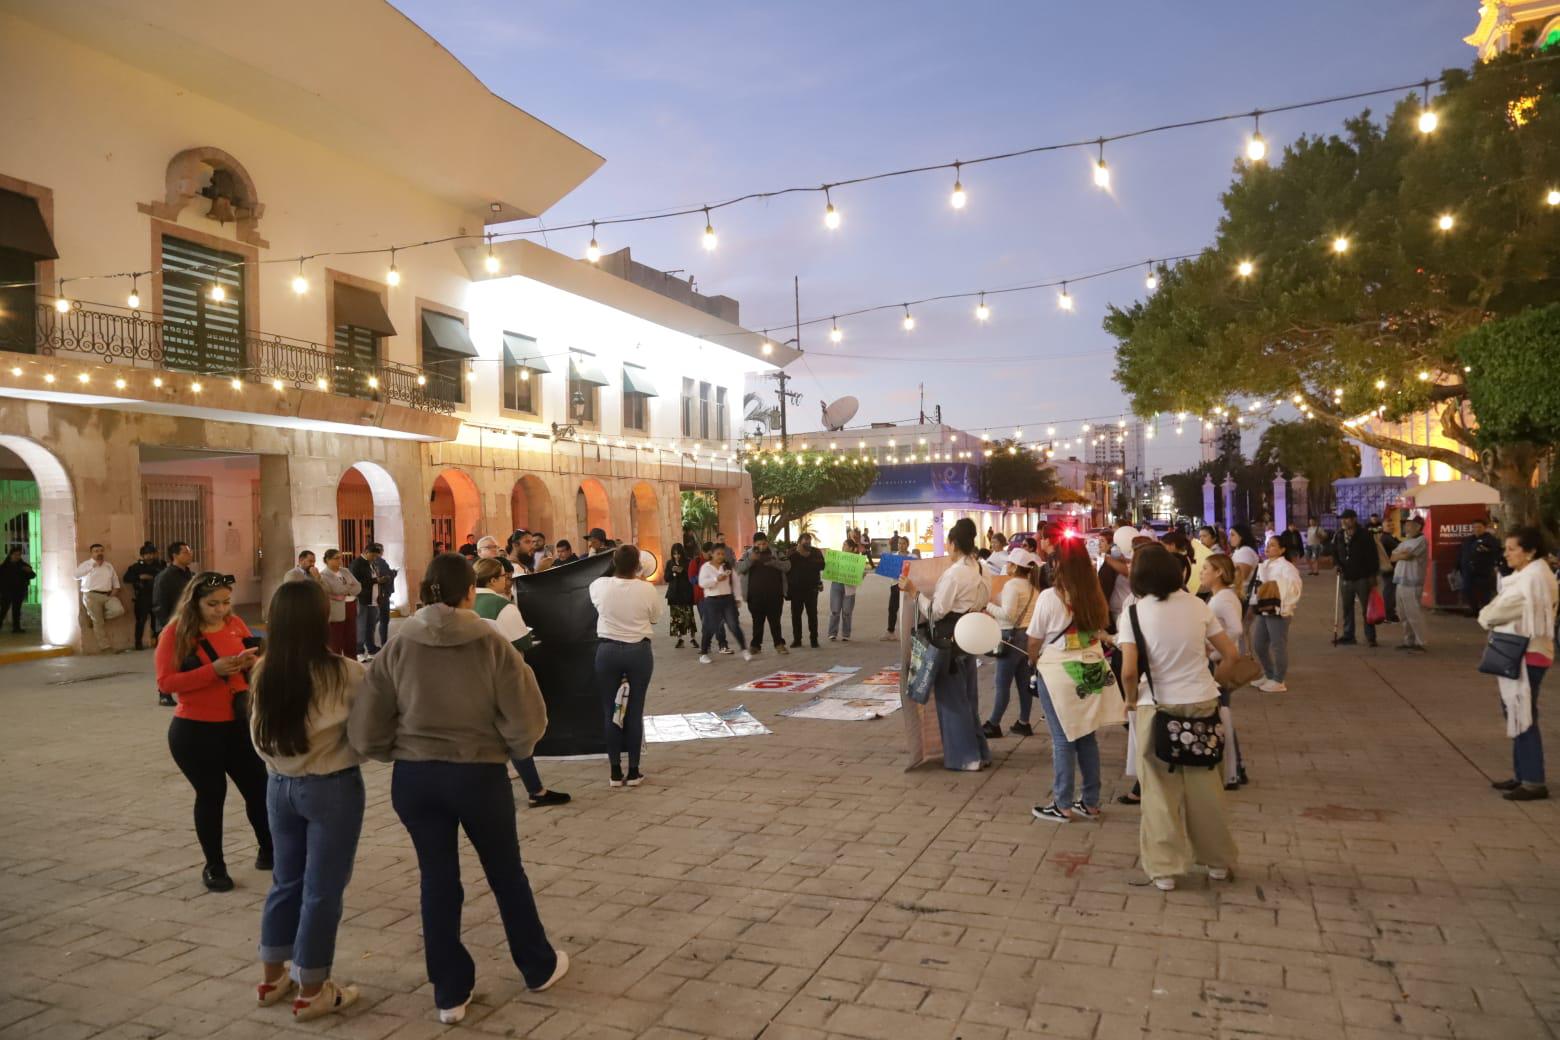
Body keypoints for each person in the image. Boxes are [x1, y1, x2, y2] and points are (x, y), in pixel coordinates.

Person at [349, 552, 568, 1022]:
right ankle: (537, 966)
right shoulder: (492, 645)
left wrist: (395, 751)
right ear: (470, 591)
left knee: (437, 879)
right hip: (478, 774)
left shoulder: (397, 644)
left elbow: (366, 724)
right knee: (506, 873)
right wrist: (511, 748)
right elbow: (526, 718)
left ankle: (449, 993)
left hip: (416, 777)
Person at [250, 579, 365, 1019]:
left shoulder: (263, 670)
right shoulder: (346, 673)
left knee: (285, 881)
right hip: (331, 786)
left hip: (278, 786)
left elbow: (258, 736)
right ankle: (313, 987)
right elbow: (371, 728)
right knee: (322, 890)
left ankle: (271, 975)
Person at [1117, 545, 1242, 891]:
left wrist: (1129, 700)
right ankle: (1217, 862)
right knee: (1207, 790)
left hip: (1156, 707)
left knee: (1159, 792)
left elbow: (1129, 670)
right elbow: (1230, 654)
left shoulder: (1134, 613)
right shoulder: (1198, 605)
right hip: (1203, 703)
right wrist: (1215, 683)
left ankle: (1165, 869)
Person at [154, 572, 269, 892]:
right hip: (196, 730)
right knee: (211, 795)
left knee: (259, 788)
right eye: (212, 604)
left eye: (226, 602)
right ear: (195, 602)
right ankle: (215, 866)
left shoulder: (236, 624)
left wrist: (249, 662)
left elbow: (256, 660)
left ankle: (269, 850)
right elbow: (166, 683)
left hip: (237, 723)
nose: (221, 610)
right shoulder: (176, 633)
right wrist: (212, 671)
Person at [1026, 538, 1115, 818]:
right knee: (1087, 736)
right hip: (1091, 669)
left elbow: (1033, 640)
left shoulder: (1050, 598)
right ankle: (1090, 801)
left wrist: (1034, 660)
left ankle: (1062, 803)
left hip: (1058, 673)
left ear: (1058, 565)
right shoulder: (1094, 594)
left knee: (1063, 738)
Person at [472, 559, 569, 809]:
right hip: (505, 676)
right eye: (504, 576)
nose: (508, 580)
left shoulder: (466, 601)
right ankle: (535, 789)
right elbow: (522, 641)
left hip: (473, 675)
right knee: (518, 733)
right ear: (492, 579)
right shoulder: (501, 605)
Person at [1479, 526, 1557, 802]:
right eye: (1506, 548)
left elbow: (1494, 612)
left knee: (1523, 715)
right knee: (1517, 711)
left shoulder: (1530, 580)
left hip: (1526, 653)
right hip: (1530, 651)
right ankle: (1522, 773)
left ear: (1531, 551)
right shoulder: (1532, 575)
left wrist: (1486, 614)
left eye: (1513, 549)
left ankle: (1533, 780)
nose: (1507, 554)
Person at [907, 518, 990, 772]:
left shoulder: (954, 574)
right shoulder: (980, 568)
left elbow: (937, 611)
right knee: (968, 698)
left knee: (952, 699)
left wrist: (914, 593)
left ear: (953, 543)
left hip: (949, 640)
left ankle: (966, 757)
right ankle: (979, 751)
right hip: (969, 636)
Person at [589, 544, 664, 787]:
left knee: (610, 710)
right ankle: (633, 771)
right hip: (638, 652)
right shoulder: (646, 589)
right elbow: (654, 617)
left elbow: (597, 601)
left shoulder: (598, 586)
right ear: (638, 565)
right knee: (634, 710)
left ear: (613, 561)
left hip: (607, 650)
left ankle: (613, 771)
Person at [983, 547, 1041, 739]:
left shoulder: (1012, 586)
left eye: (1009, 563)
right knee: (1024, 683)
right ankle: (1024, 722)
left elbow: (1008, 614)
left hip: (1010, 637)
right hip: (1028, 637)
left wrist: (987, 606)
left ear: (1015, 567)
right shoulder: (1033, 587)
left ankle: (994, 723)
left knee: (1002, 684)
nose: (1006, 565)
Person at [1201, 553, 1248, 790]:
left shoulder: (1223, 599)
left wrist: (1215, 650)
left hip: (1220, 663)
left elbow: (1236, 629)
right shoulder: (1220, 597)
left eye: (1206, 568)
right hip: (1219, 660)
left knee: (1222, 714)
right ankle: (1236, 767)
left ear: (1219, 572)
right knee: (1222, 713)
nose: (1202, 572)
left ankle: (1233, 770)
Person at [1250, 536, 1303, 693]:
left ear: (1282, 549)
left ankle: (1279, 680)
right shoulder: (1264, 564)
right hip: (1264, 608)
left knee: (1277, 645)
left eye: (1272, 545)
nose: (1268, 548)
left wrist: (1277, 591)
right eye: (1267, 545)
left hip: (1279, 610)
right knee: (1259, 644)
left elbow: (1295, 588)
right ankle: (1269, 673)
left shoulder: (1287, 567)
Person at [736, 532, 789, 655]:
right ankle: (755, 645)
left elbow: (787, 566)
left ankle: (779, 644)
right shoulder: (747, 554)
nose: (761, 546)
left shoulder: (776, 553)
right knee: (757, 621)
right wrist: (750, 560)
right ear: (754, 544)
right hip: (755, 596)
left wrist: (775, 563)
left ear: (767, 542)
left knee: (775, 621)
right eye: (758, 544)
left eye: (764, 543)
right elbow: (739, 568)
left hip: (775, 595)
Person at [1333, 509, 1379, 646]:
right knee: (1347, 607)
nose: (1344, 521)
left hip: (1362, 577)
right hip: (1346, 576)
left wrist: (1372, 575)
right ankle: (1348, 635)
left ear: (1353, 519)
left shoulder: (1365, 534)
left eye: (1346, 519)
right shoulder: (1339, 535)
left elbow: (1372, 556)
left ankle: (1370, 636)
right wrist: (1337, 564)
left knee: (1367, 608)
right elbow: (1335, 552)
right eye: (1343, 519)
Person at [697, 545, 750, 663]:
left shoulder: (727, 566)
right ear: (712, 554)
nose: (721, 556)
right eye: (718, 554)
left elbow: (735, 583)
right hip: (712, 600)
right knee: (710, 627)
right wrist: (716, 579)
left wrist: (737, 598)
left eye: (722, 554)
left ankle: (744, 649)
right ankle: (704, 653)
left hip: (727, 599)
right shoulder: (706, 567)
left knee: (734, 625)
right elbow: (702, 583)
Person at [75, 542, 123, 653]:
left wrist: (113, 593)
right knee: (98, 623)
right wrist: (91, 567)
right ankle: (105, 647)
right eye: (96, 551)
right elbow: (75, 576)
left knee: (118, 610)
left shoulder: (108, 566)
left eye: (101, 551)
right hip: (91, 595)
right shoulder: (86, 564)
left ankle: (94, 618)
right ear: (91, 553)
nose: (99, 553)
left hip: (107, 595)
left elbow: (115, 582)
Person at [1391, 517, 1430, 652]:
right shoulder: (1407, 540)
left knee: (1413, 614)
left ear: (1418, 526)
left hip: (1413, 582)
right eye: (1406, 525)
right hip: (1400, 581)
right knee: (1403, 614)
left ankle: (1421, 642)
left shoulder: (1421, 541)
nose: (1406, 528)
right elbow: (1393, 556)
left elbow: (1407, 556)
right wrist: (1402, 554)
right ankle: (1409, 641)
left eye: (1409, 525)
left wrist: (1401, 554)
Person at [317, 550, 361, 659]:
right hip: (336, 610)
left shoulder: (345, 571)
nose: (340, 560)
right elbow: (334, 590)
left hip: (351, 606)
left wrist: (345, 591)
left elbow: (358, 586)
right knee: (336, 640)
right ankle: (336, 664)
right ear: (327, 560)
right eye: (336, 558)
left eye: (340, 558)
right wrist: (348, 588)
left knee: (351, 638)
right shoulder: (323, 575)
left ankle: (351, 662)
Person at [350, 544, 391, 659]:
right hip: (362, 599)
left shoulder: (372, 563)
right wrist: (376, 580)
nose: (374, 558)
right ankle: (359, 651)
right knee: (361, 626)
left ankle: (371, 649)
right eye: (373, 556)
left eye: (376, 556)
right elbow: (356, 582)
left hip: (374, 599)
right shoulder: (356, 564)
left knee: (371, 626)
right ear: (366, 552)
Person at [124, 542, 165, 650]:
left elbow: (166, 577)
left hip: (157, 596)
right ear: (142, 555)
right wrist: (139, 577)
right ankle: (138, 644)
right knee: (140, 621)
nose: (149, 556)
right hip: (142, 597)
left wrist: (152, 577)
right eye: (147, 554)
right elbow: (126, 578)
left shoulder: (161, 565)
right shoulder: (136, 567)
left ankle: (158, 643)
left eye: (151, 553)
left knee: (157, 621)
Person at [788, 533, 824, 649]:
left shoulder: (816, 552)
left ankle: (814, 639)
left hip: (811, 588)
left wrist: (808, 557)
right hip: (796, 590)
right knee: (796, 615)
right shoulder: (792, 552)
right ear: (799, 541)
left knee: (812, 615)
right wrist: (798, 553)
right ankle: (797, 639)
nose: (807, 544)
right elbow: (787, 567)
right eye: (805, 542)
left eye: (809, 541)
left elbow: (822, 565)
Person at [1462, 519, 1501, 614]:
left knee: (1484, 593)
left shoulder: (1490, 540)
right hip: (1469, 571)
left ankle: (1486, 612)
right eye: (1474, 527)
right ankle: (1474, 610)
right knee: (1467, 590)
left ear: (1485, 528)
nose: (1476, 529)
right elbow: (1463, 553)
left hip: (1483, 570)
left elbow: (1496, 553)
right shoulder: (1469, 540)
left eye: (1479, 527)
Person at [827, 539, 861, 642]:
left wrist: (861, 575)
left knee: (847, 612)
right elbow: (830, 568)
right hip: (836, 585)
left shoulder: (857, 559)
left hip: (849, 587)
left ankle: (846, 634)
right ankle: (832, 633)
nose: (843, 546)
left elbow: (858, 575)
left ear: (851, 548)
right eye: (843, 545)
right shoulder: (837, 557)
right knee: (835, 610)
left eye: (845, 545)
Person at [664, 543, 698, 648]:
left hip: (686, 593)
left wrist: (683, 571)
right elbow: (666, 578)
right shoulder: (670, 563)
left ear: (682, 553)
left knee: (689, 617)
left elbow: (691, 577)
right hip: (674, 594)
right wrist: (672, 571)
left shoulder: (688, 562)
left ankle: (693, 638)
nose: (676, 556)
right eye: (674, 554)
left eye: (678, 554)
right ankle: (680, 639)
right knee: (676, 618)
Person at [0, 546, 36, 633]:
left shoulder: (23, 565)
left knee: (16, 610)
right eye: (15, 554)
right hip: (6, 592)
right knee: (4, 610)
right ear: (11, 555)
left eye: (19, 554)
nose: (17, 556)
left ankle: (16, 628)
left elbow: (33, 575)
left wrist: (29, 571)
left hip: (19, 592)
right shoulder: (4, 566)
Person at [1373, 521, 1401, 624]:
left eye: (1392, 524)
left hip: (1388, 568)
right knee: (1390, 591)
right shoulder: (1386, 538)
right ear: (1383, 527)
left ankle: (1389, 613)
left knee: (1389, 590)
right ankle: (1389, 615)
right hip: (1389, 568)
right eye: (1388, 525)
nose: (1391, 527)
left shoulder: (1387, 537)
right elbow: (1400, 548)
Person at [371, 550, 398, 649]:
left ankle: (370, 643)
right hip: (382, 595)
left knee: (375, 619)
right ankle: (383, 643)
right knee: (383, 619)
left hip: (374, 595)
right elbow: (388, 576)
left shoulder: (369, 562)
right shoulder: (381, 562)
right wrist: (394, 573)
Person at [1227, 524, 1259, 605]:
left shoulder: (1245, 551)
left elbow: (1241, 577)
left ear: (1242, 536)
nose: (1229, 538)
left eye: (1233, 535)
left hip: (1238, 594)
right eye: (1229, 535)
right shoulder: (1240, 551)